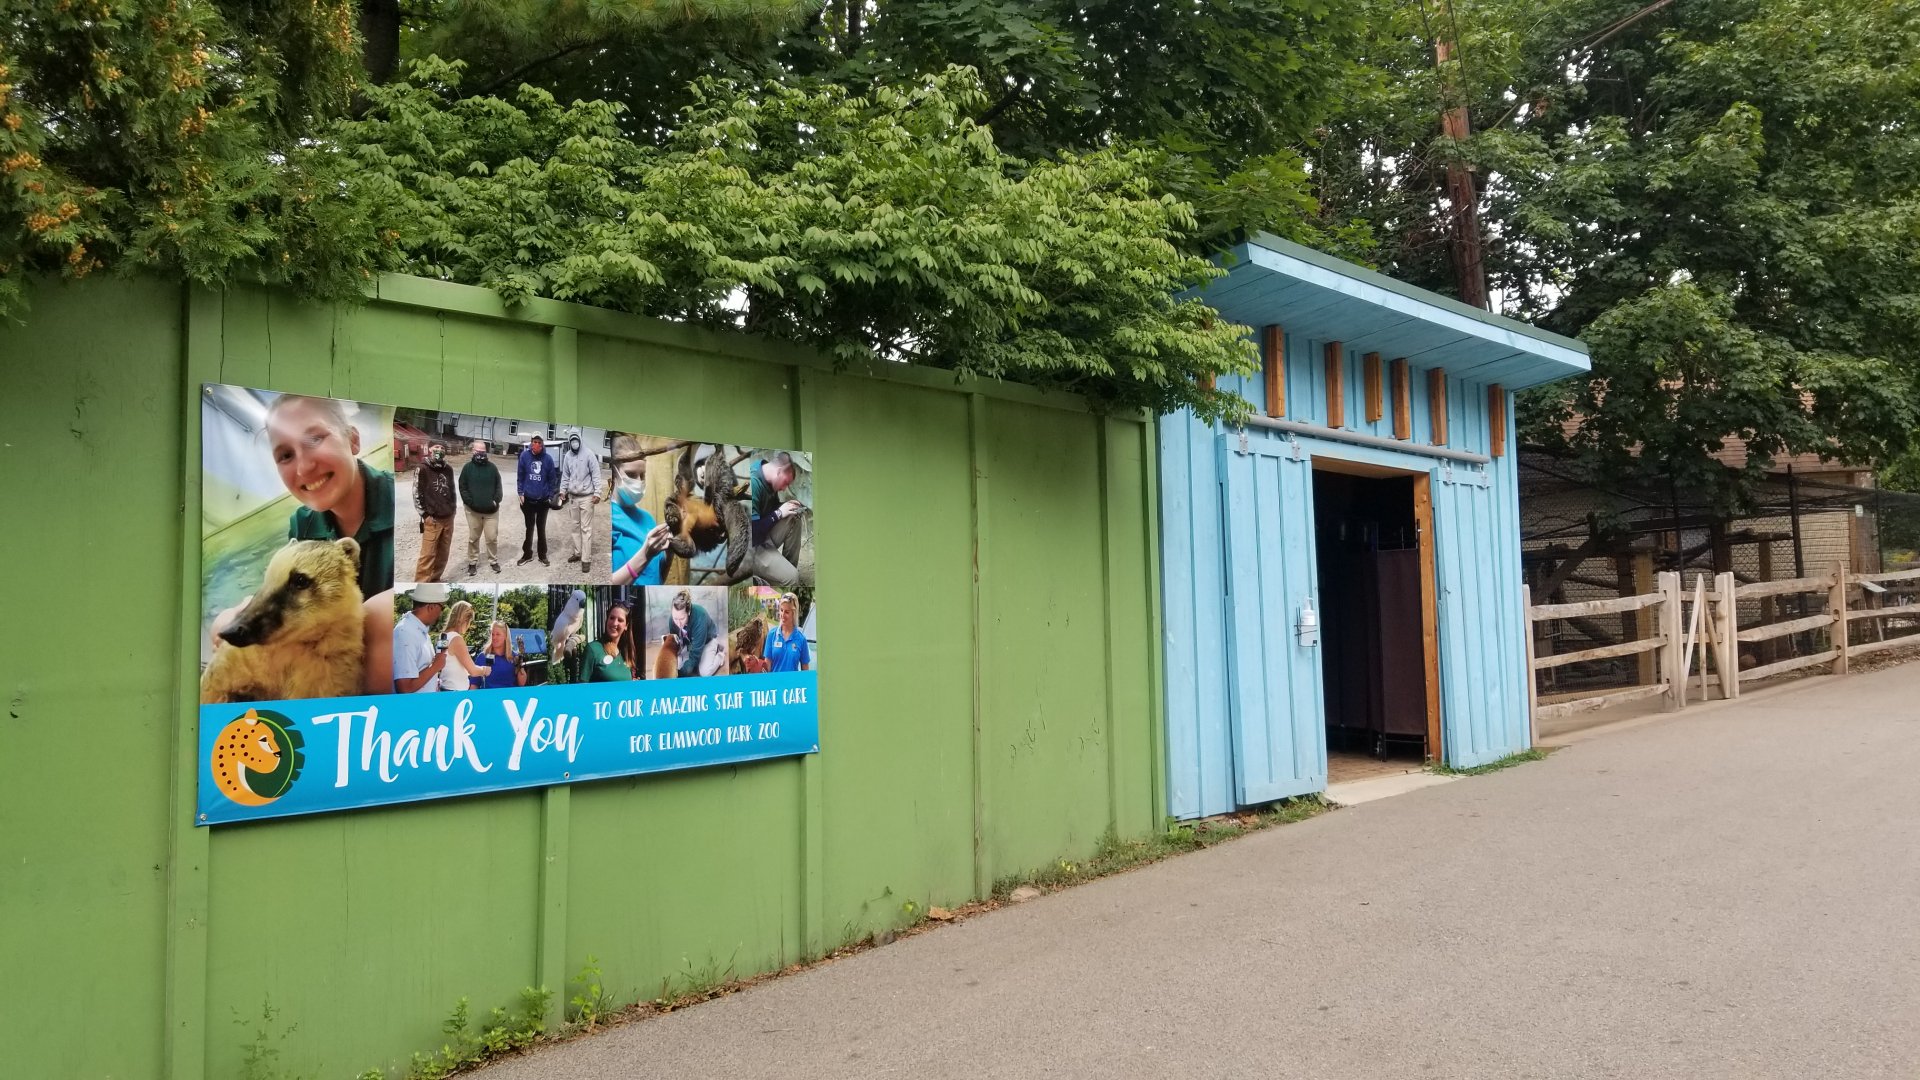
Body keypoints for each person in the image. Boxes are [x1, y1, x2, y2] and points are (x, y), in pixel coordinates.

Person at [253, 394, 395, 696]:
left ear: (353, 440)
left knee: (378, 617)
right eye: (285, 455)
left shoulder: (398, 502)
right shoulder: (302, 524)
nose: (303, 468)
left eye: (315, 439)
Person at [609, 435, 673, 587]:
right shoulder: (607, 518)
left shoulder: (648, 519)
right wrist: (645, 554)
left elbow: (656, 578)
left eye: (642, 475)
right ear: (613, 472)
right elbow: (606, 586)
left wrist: (670, 552)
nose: (638, 481)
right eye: (631, 474)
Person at [744, 450, 809, 586]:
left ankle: (784, 573)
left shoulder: (767, 474)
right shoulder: (753, 484)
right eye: (785, 482)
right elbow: (753, 534)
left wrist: (786, 506)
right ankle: (787, 579)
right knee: (792, 578)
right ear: (778, 472)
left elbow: (768, 510)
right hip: (751, 548)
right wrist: (779, 513)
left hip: (763, 537)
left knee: (793, 517)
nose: (784, 488)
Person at [393, 583, 451, 693]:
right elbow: (404, 688)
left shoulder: (419, 631)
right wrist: (435, 666)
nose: (441, 613)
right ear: (431, 607)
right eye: (442, 608)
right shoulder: (406, 633)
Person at [557, 428, 603, 568]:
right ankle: (577, 553)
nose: (574, 443)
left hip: (587, 497)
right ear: (569, 441)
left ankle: (586, 559)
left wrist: (597, 493)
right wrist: (562, 491)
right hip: (573, 497)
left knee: (586, 528)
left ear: (580, 440)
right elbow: (565, 475)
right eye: (572, 440)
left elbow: (596, 475)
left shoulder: (589, 454)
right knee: (575, 526)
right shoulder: (568, 456)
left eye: (576, 440)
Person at [413, 441, 457, 582]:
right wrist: (425, 515)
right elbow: (416, 493)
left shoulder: (448, 469)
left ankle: (435, 579)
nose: (439, 450)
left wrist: (453, 509)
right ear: (430, 449)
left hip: (448, 518)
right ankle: (421, 584)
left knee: (443, 554)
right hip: (432, 519)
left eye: (442, 447)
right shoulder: (422, 468)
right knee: (427, 555)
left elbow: (452, 490)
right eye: (436, 447)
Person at [459, 440, 503, 576]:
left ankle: (493, 561)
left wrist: (496, 500)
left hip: (491, 512)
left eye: (483, 452)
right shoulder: (467, 468)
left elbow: (498, 486)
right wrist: (470, 502)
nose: (481, 454)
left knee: (491, 537)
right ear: (473, 451)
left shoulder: (492, 468)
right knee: (473, 538)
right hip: (473, 511)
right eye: (478, 451)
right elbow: (463, 487)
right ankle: (472, 562)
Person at [516, 434, 558, 566]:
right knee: (529, 528)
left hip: (542, 501)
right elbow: (520, 475)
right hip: (528, 499)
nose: (537, 444)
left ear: (542, 444)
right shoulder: (524, 456)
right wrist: (520, 492)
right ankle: (527, 554)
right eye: (534, 442)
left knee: (541, 528)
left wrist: (550, 496)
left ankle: (542, 555)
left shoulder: (548, 459)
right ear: (531, 442)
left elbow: (552, 479)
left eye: (539, 442)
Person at [435, 600, 490, 691]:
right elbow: (472, 671)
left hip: (445, 688)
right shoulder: (457, 639)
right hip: (456, 692)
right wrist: (485, 670)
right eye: (470, 621)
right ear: (465, 619)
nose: (469, 626)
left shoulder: (443, 636)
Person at [664, 590, 718, 679]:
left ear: (688, 612)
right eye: (675, 618)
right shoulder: (672, 620)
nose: (678, 623)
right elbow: (675, 642)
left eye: (682, 619)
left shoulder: (700, 617)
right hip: (690, 643)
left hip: (707, 641)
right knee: (677, 666)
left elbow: (695, 654)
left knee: (705, 672)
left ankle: (720, 656)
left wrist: (679, 675)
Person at [585, 602, 636, 682]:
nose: (615, 623)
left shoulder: (625, 654)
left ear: (626, 626)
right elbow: (582, 687)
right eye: (612, 618)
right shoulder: (593, 649)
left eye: (620, 620)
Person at [762, 592, 812, 673]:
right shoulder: (771, 635)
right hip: (775, 681)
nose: (782, 615)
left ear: (794, 613)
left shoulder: (801, 639)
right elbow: (767, 667)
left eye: (787, 612)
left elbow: (805, 672)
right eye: (781, 610)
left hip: (793, 681)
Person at [475, 620, 525, 689]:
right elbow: (474, 684)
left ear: (505, 636)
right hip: (489, 695)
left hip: (509, 695)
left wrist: (520, 661)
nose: (494, 637)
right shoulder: (483, 656)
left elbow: (521, 684)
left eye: (498, 634)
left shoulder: (514, 657)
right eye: (492, 634)